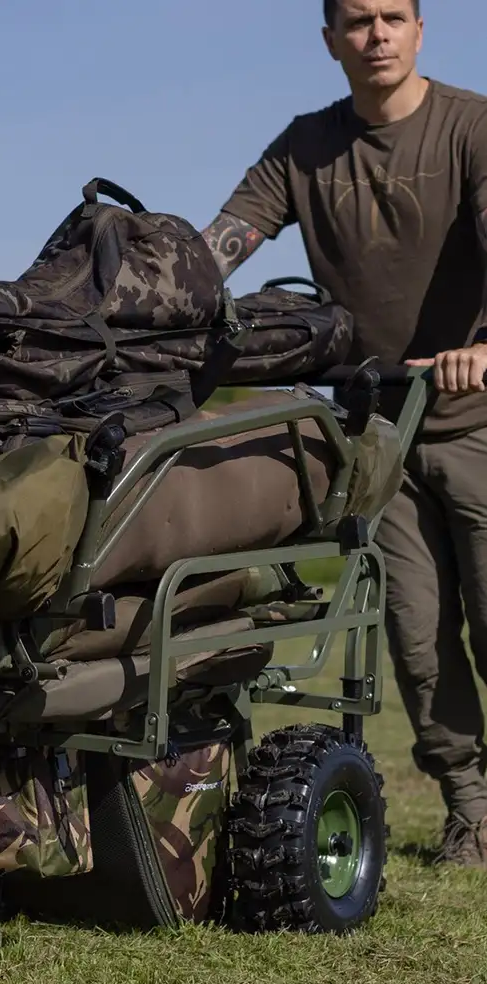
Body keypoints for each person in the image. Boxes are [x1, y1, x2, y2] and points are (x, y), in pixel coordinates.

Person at [200, 0, 487, 866]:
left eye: (394, 16)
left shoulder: (470, 128)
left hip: (479, 421)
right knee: (418, 637)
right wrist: (153, 294)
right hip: (375, 438)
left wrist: (483, 348)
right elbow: (219, 247)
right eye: (358, 21)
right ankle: (472, 815)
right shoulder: (305, 147)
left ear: (422, 29)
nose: (378, 36)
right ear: (330, 40)